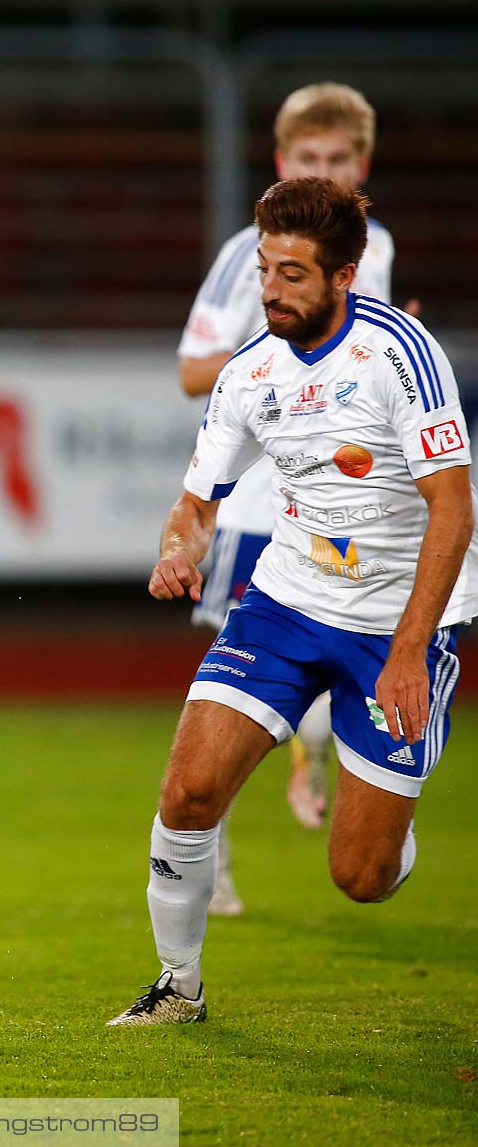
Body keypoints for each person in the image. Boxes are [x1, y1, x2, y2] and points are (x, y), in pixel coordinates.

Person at [111, 177, 474, 1026]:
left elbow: (453, 506)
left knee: (360, 877)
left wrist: (413, 648)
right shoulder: (249, 373)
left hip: (397, 622)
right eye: (267, 269)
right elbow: (198, 504)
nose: (271, 290)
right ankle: (178, 987)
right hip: (286, 600)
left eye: (294, 274)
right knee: (188, 793)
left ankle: (390, 831)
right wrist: (177, 551)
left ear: (345, 276)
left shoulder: (400, 355)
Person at [175, 83, 395, 914]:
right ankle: (213, 859)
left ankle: (334, 775)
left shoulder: (378, 248)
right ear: (282, 165)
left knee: (342, 664)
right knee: (233, 692)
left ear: (362, 167)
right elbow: (193, 369)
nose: (325, 171)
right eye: (310, 160)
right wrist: (275, 329)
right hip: (261, 509)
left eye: (339, 160)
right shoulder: (247, 255)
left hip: (351, 510)